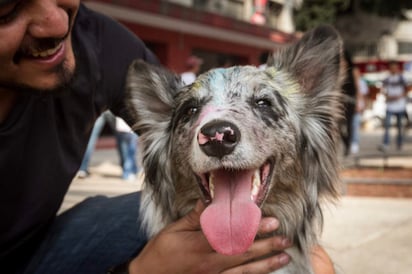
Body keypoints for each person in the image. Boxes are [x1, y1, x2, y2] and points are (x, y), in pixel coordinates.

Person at [0, 0, 334, 273]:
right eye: (6, 9)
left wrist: (301, 247)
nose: (57, 23)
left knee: (134, 208)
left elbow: (174, 110)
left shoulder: (95, 40)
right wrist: (141, 270)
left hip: (38, 244)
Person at [378, 61, 408, 152]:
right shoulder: (387, 79)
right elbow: (383, 90)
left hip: (400, 106)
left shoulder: (402, 78)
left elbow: (406, 90)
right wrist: (388, 97)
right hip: (390, 106)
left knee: (399, 126)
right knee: (387, 126)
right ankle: (386, 143)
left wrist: (399, 96)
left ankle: (399, 143)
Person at [77, 110, 117, 178]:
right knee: (123, 135)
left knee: (90, 138)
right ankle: (128, 170)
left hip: (100, 107)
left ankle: (82, 168)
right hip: (111, 106)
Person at [350, 68, 369, 154]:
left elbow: (364, 96)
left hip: (357, 108)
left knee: (355, 126)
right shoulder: (349, 82)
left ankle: (354, 143)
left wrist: (363, 106)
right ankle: (350, 143)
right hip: (349, 108)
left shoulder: (362, 83)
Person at [115, 116, 138, 181]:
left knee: (125, 153)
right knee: (130, 154)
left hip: (120, 129)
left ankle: (133, 170)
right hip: (130, 130)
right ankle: (127, 173)